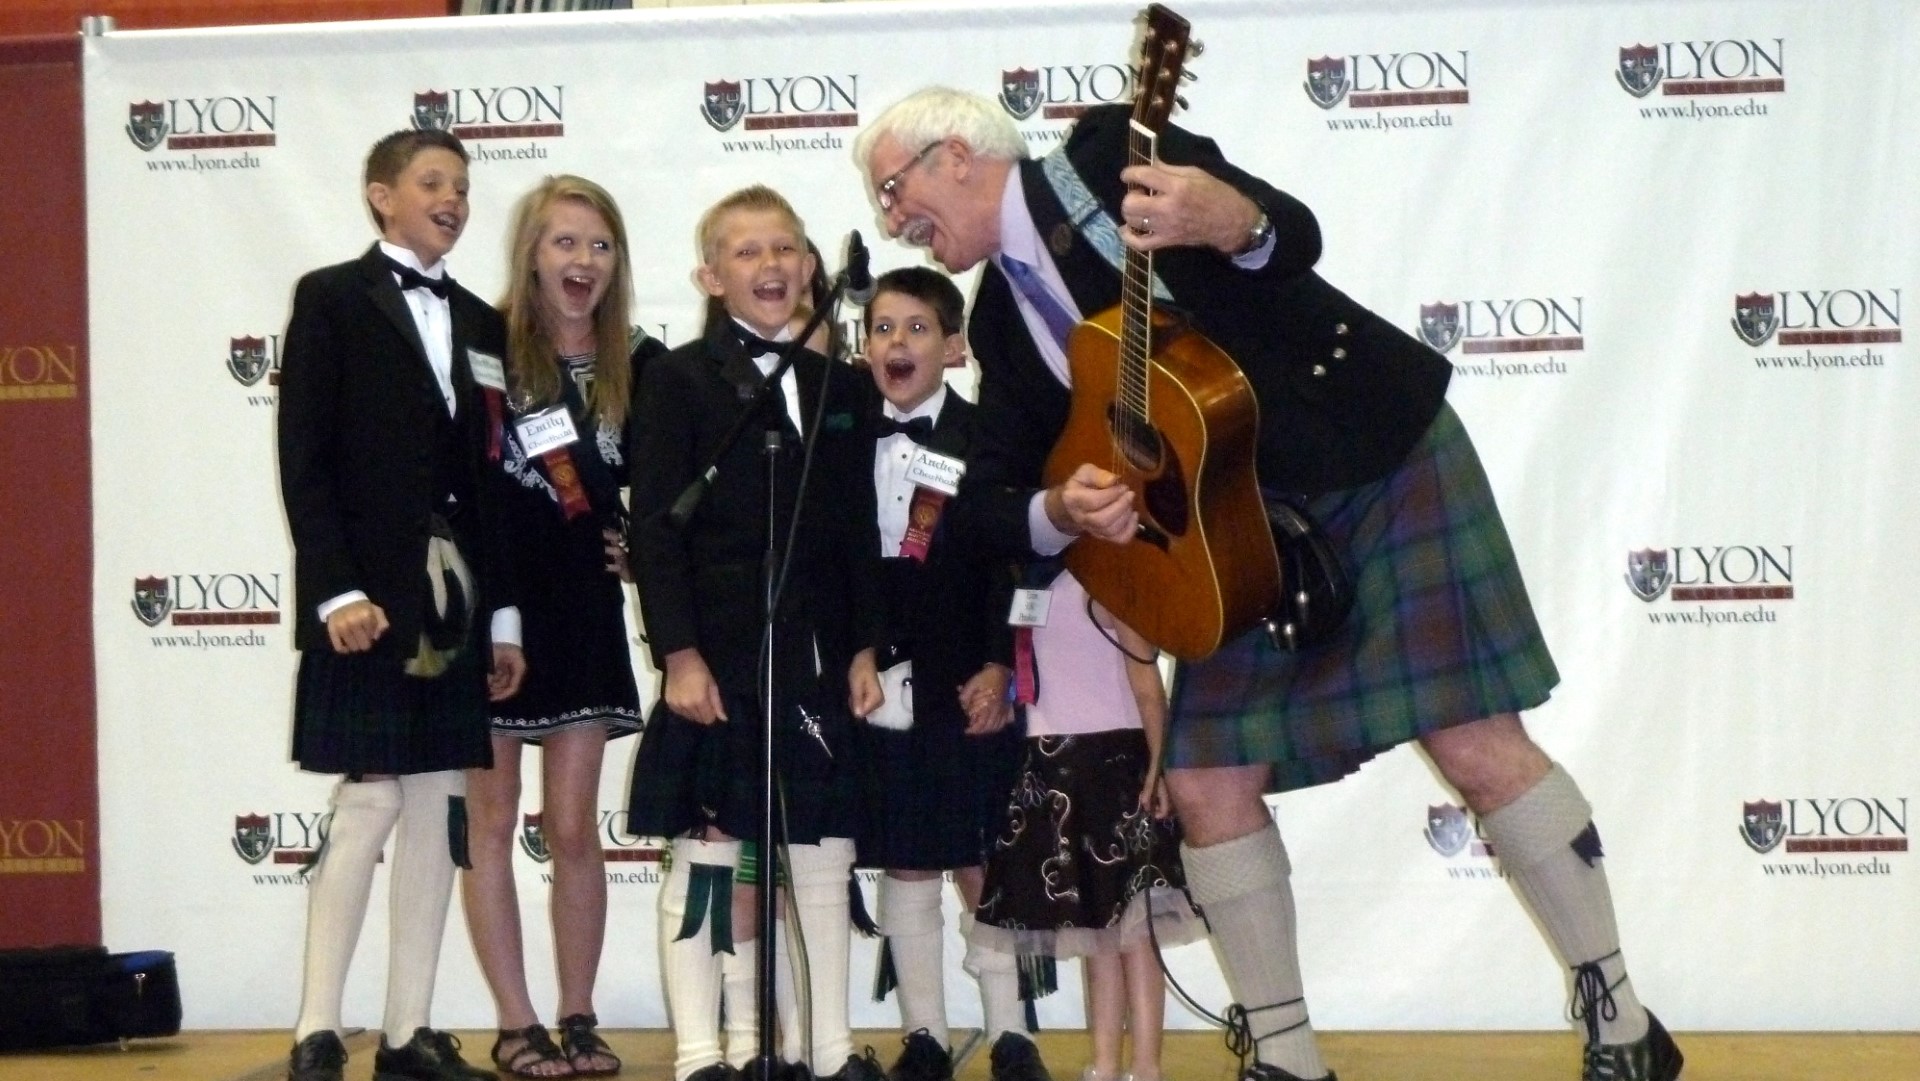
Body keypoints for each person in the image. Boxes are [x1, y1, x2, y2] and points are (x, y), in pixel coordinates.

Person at [852, 87, 1683, 1081]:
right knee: (1203, 780)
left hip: (1372, 458)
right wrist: (1061, 510)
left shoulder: (1113, 151)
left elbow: (1293, 236)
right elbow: (991, 498)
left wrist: (1230, 220)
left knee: (1476, 746)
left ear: (956, 156)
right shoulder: (1001, 321)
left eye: (894, 190)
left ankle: (1623, 1021)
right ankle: (1288, 1059)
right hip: (1239, 541)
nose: (893, 219)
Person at [277, 127, 524, 1081]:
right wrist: (335, 587)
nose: (453, 199)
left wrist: (501, 618)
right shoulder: (330, 300)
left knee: (437, 805)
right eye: (433, 183)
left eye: (462, 185)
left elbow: (493, 480)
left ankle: (407, 1032)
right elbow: (305, 459)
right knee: (369, 799)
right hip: (367, 598)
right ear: (382, 196)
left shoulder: (484, 323)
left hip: (457, 603)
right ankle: (314, 1028)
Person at [625, 184, 876, 1081]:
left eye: (785, 249)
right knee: (708, 844)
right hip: (722, 642)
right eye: (747, 252)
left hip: (817, 644)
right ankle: (702, 1055)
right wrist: (679, 654)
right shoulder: (681, 378)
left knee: (822, 843)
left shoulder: (844, 383)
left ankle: (830, 1046)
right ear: (711, 275)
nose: (771, 266)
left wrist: (862, 645)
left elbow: (855, 527)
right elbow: (656, 525)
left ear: (810, 266)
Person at [462, 175, 666, 1079]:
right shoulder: (484, 353)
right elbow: (461, 491)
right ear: (531, 254)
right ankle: (516, 1021)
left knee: (576, 826)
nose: (582, 262)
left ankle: (579, 1014)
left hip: (584, 612)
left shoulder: (647, 362)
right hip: (493, 610)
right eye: (564, 243)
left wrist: (647, 556)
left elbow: (675, 497)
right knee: (492, 822)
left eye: (599, 245)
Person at [838, 268, 1031, 1081]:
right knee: (906, 854)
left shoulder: (993, 435)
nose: (897, 344)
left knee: (981, 853)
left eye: (917, 328)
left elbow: (1018, 559)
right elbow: (831, 561)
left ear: (953, 346)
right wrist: (855, 650)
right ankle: (923, 1036)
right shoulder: (839, 431)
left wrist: (1001, 663)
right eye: (882, 328)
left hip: (967, 671)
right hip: (873, 674)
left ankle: (1013, 1033)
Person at [968, 570, 1201, 1081]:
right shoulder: (1035, 582)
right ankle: (1103, 1064)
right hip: (1055, 765)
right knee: (1096, 930)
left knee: (1135, 934)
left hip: (1114, 766)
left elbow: (1148, 690)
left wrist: (1157, 767)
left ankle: (1145, 1066)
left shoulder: (1113, 584)